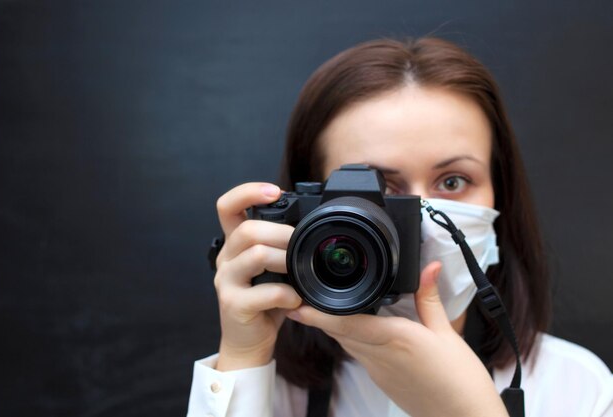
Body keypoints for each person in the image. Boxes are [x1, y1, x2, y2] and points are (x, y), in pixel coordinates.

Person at [188, 37, 613, 417]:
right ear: (307, 212)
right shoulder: (271, 386)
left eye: (452, 182)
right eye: (379, 189)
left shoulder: (574, 388)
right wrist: (244, 358)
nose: (421, 224)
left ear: (500, 194)